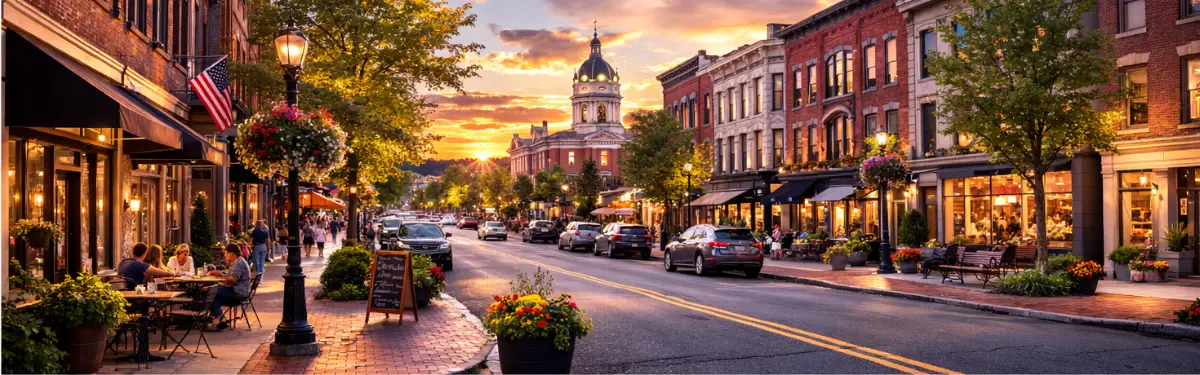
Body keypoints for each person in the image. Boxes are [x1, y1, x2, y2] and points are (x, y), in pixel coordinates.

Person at [204, 244, 252, 331]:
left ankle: (217, 318)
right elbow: (230, 276)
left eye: (226, 253)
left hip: (238, 293)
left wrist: (221, 275)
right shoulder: (237, 262)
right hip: (236, 291)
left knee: (211, 293)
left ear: (232, 253)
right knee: (214, 294)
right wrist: (221, 275)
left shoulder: (239, 263)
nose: (225, 255)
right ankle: (217, 319)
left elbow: (232, 280)